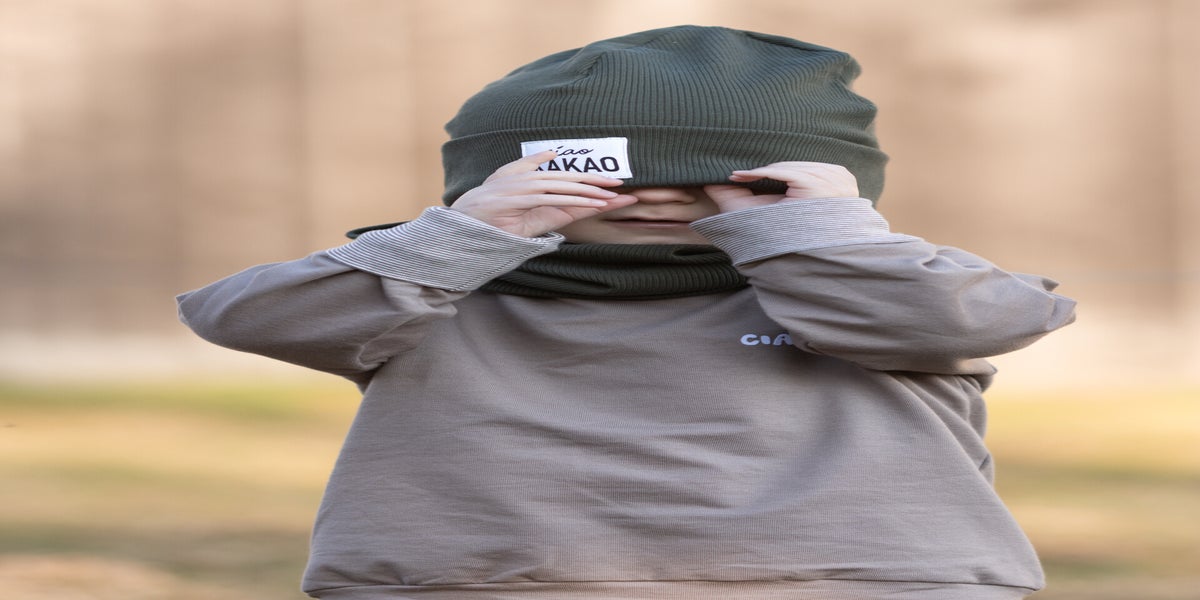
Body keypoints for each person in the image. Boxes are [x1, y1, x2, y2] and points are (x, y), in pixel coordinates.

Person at [177, 25, 1076, 600]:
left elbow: (968, 320)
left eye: (718, 176)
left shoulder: (874, 282)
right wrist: (466, 236)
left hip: (867, 581)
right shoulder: (431, 288)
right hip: (478, 582)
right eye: (606, 174)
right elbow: (245, 318)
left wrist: (815, 236)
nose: (658, 196)